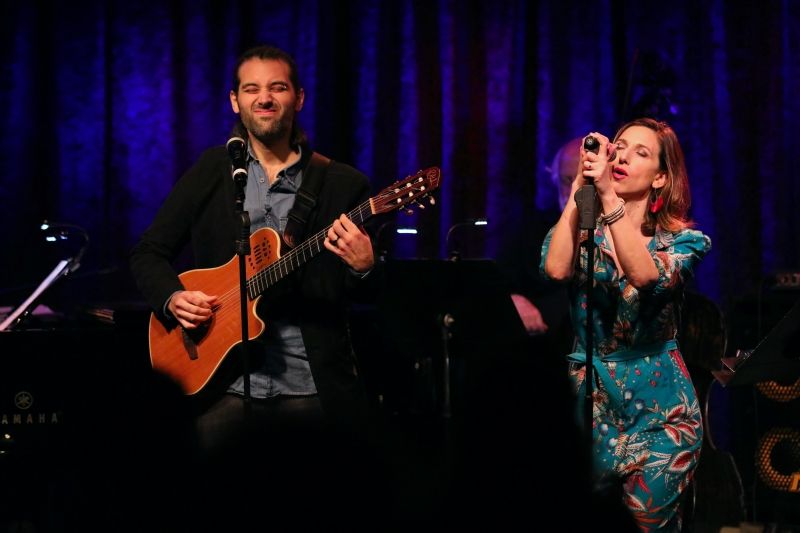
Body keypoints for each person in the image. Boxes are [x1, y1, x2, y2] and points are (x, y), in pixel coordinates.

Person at [129, 44, 382, 529]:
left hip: (311, 389)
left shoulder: (343, 184)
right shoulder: (212, 173)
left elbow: (372, 295)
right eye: (252, 89)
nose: (265, 99)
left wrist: (365, 267)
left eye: (277, 87)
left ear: (299, 98)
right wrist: (172, 298)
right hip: (220, 387)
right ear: (234, 102)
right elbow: (148, 253)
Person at [541, 118, 711, 531]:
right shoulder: (584, 230)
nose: (623, 156)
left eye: (642, 152)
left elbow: (646, 276)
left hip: (661, 417)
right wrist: (582, 188)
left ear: (660, 178)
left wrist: (608, 197)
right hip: (590, 408)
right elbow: (556, 269)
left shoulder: (685, 242)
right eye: (620, 145)